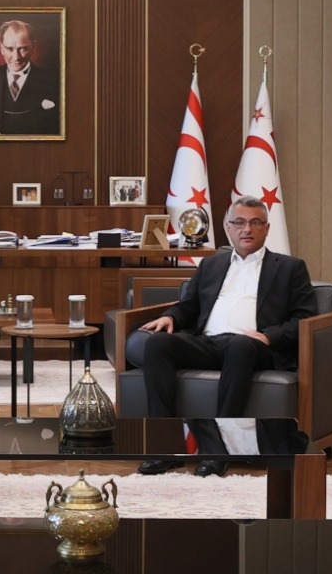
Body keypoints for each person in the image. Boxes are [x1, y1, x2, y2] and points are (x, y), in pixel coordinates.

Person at [133, 196, 318, 478]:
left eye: (255, 223)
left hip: (255, 347)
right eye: (239, 222)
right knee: (158, 343)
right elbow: (189, 306)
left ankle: (216, 452)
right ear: (228, 227)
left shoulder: (290, 267)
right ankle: (164, 448)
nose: (247, 229)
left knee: (241, 344)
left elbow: (305, 318)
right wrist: (170, 317)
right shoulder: (211, 265)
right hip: (209, 343)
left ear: (267, 228)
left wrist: (268, 336)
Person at [0, 18, 59, 137]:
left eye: (23, 48)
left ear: (33, 46)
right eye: (9, 49)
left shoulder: (53, 81)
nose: (16, 57)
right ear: (1, 48)